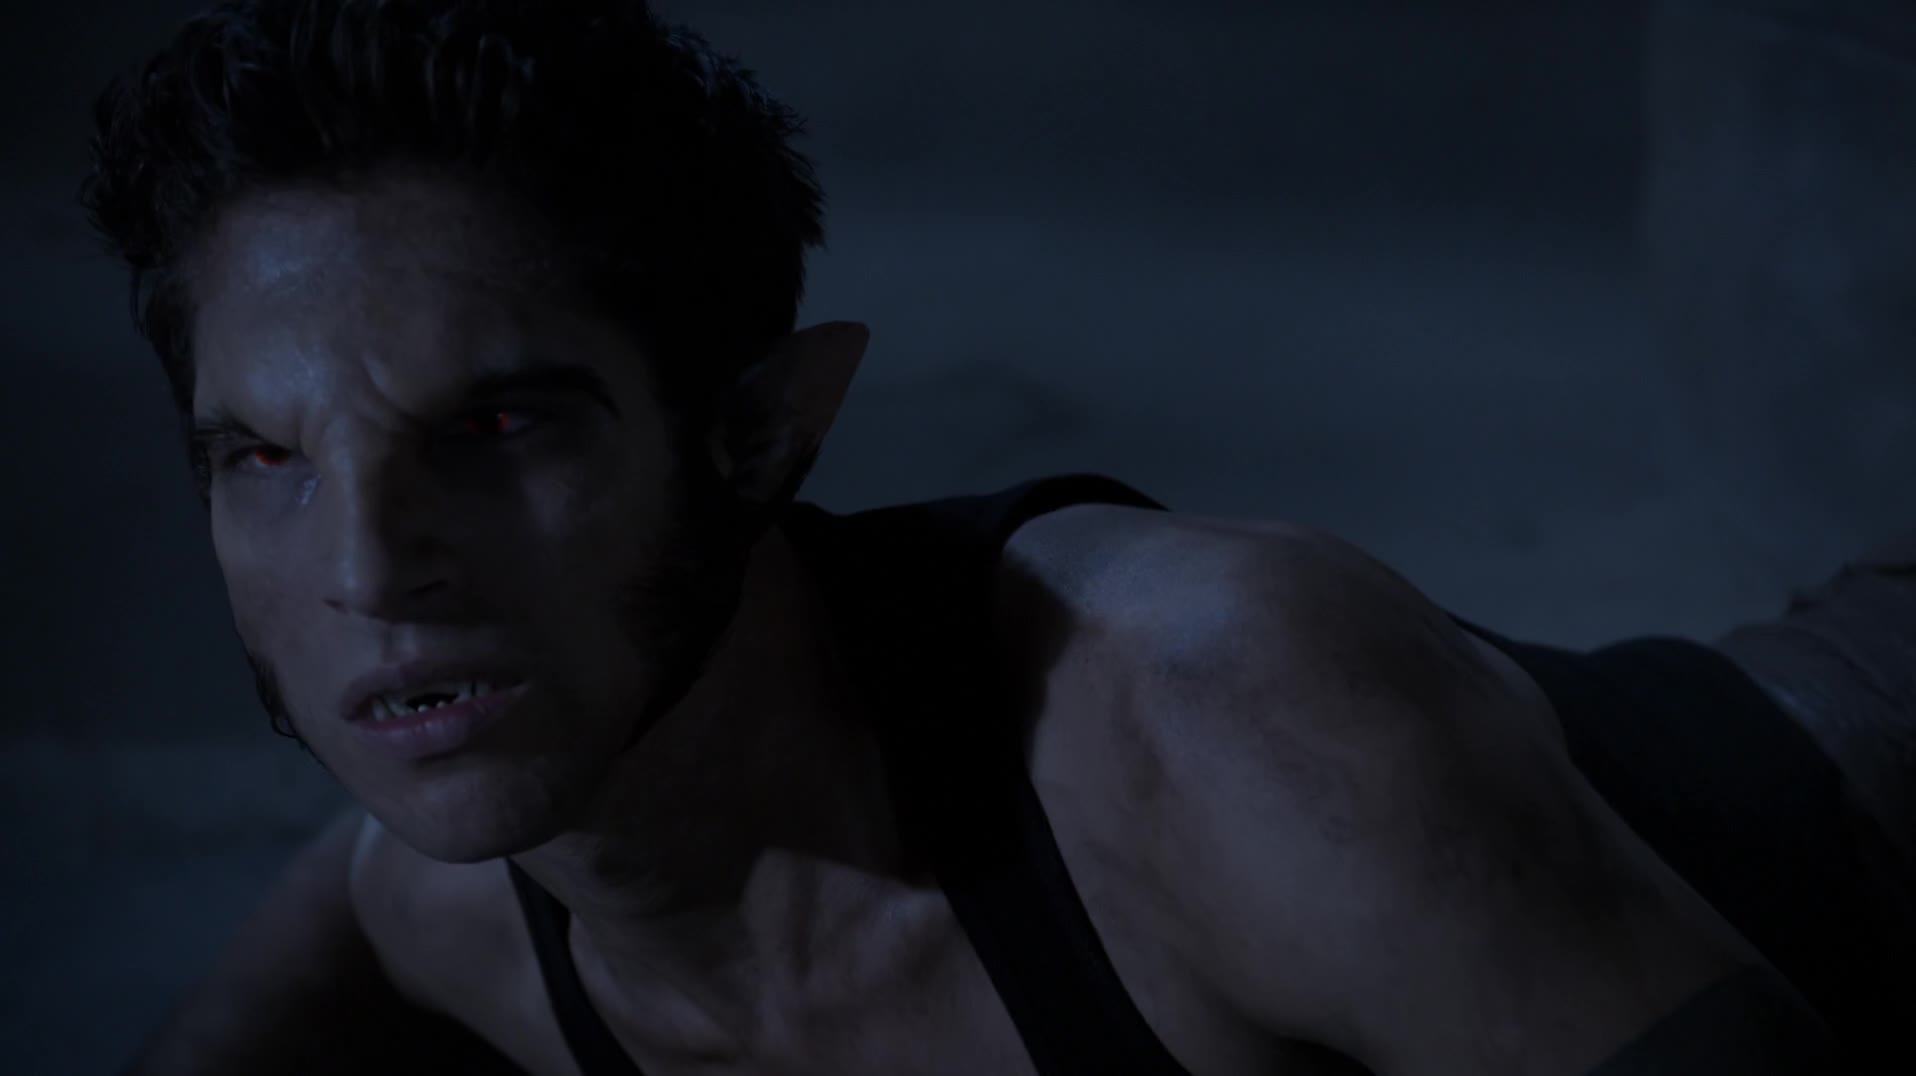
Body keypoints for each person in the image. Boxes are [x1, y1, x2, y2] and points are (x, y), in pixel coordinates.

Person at [81, 2, 1910, 1074]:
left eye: (497, 430)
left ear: (764, 431)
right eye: (263, 458)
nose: (370, 569)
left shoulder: (1212, 717)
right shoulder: (435, 897)